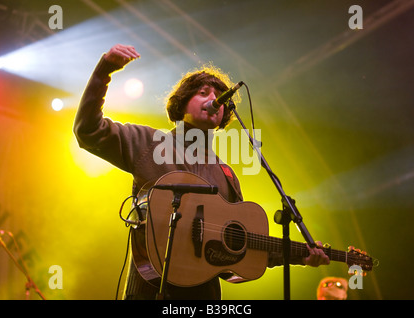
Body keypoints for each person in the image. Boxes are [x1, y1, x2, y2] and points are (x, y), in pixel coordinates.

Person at [73, 44, 330, 300]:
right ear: (183, 103)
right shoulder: (148, 143)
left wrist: (301, 255)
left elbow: (238, 247)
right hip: (149, 290)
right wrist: (104, 71)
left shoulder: (226, 174)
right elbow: (88, 131)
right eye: (203, 92)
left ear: (225, 114)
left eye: (219, 96)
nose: (213, 100)